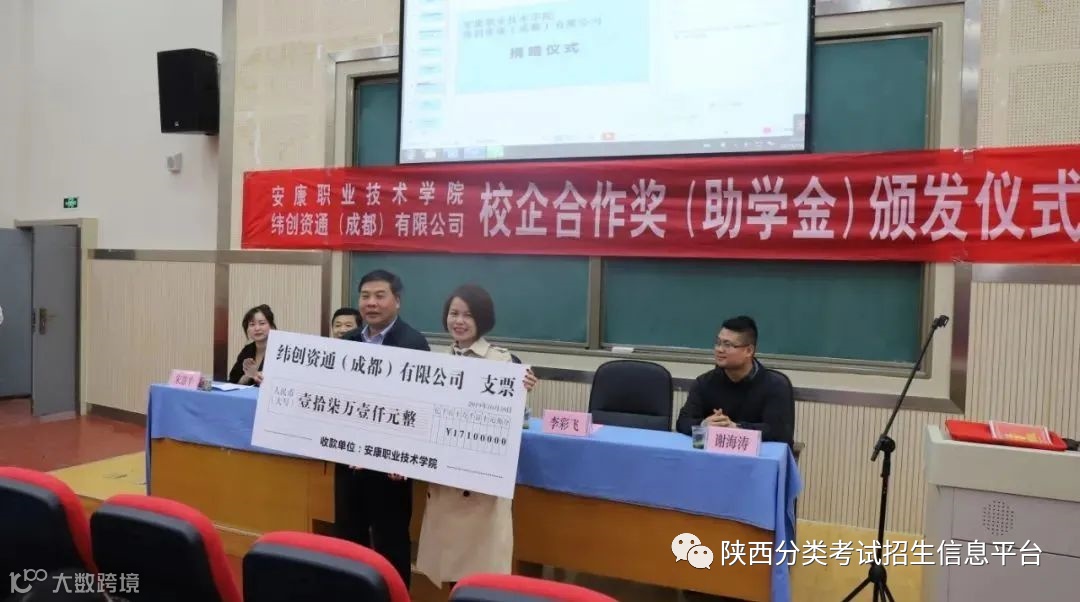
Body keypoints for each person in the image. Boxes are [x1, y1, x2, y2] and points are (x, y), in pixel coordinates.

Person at [415, 284, 537, 589]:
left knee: (480, 576)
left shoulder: (503, 362)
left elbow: (516, 421)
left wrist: (523, 389)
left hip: (481, 487)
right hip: (445, 480)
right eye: (453, 313)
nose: (459, 321)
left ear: (482, 319)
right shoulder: (437, 362)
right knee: (449, 571)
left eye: (468, 315)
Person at [335, 269, 430, 588]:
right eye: (365, 296)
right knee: (349, 538)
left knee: (391, 542)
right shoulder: (348, 341)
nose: (371, 303)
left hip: (391, 466)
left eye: (380, 296)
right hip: (349, 460)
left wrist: (401, 454)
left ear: (397, 301)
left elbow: (419, 407)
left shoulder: (413, 343)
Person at [675, 315, 795, 446]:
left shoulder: (774, 385)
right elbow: (682, 422)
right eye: (718, 343)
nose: (719, 349)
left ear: (749, 351)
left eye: (727, 345)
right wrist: (703, 424)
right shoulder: (704, 383)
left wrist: (736, 428)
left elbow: (780, 433)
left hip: (756, 457)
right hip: (713, 455)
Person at [227, 304, 276, 386]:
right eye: (252, 324)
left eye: (262, 323)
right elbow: (233, 382)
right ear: (247, 329)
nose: (257, 328)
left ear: (271, 326)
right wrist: (248, 376)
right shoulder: (247, 350)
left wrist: (263, 378)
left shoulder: (279, 350)